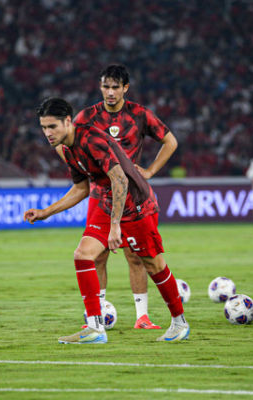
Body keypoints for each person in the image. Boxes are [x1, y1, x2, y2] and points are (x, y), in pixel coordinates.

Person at [25, 97, 189, 344]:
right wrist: (46, 212)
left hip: (136, 206)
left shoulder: (92, 140)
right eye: (44, 127)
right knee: (83, 255)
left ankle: (179, 323)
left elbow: (121, 180)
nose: (47, 133)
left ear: (68, 121)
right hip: (108, 202)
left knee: (153, 265)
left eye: (52, 127)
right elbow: (81, 188)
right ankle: (95, 329)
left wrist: (115, 228)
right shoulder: (69, 149)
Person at [59, 64, 178, 330]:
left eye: (115, 87)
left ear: (125, 88)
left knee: (137, 256)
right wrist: (80, 167)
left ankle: (142, 316)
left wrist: (149, 171)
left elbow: (171, 141)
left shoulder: (139, 114)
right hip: (100, 195)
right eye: (105, 87)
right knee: (95, 256)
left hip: (131, 196)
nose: (110, 92)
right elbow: (64, 142)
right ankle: (97, 315)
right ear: (100, 87)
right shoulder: (86, 117)